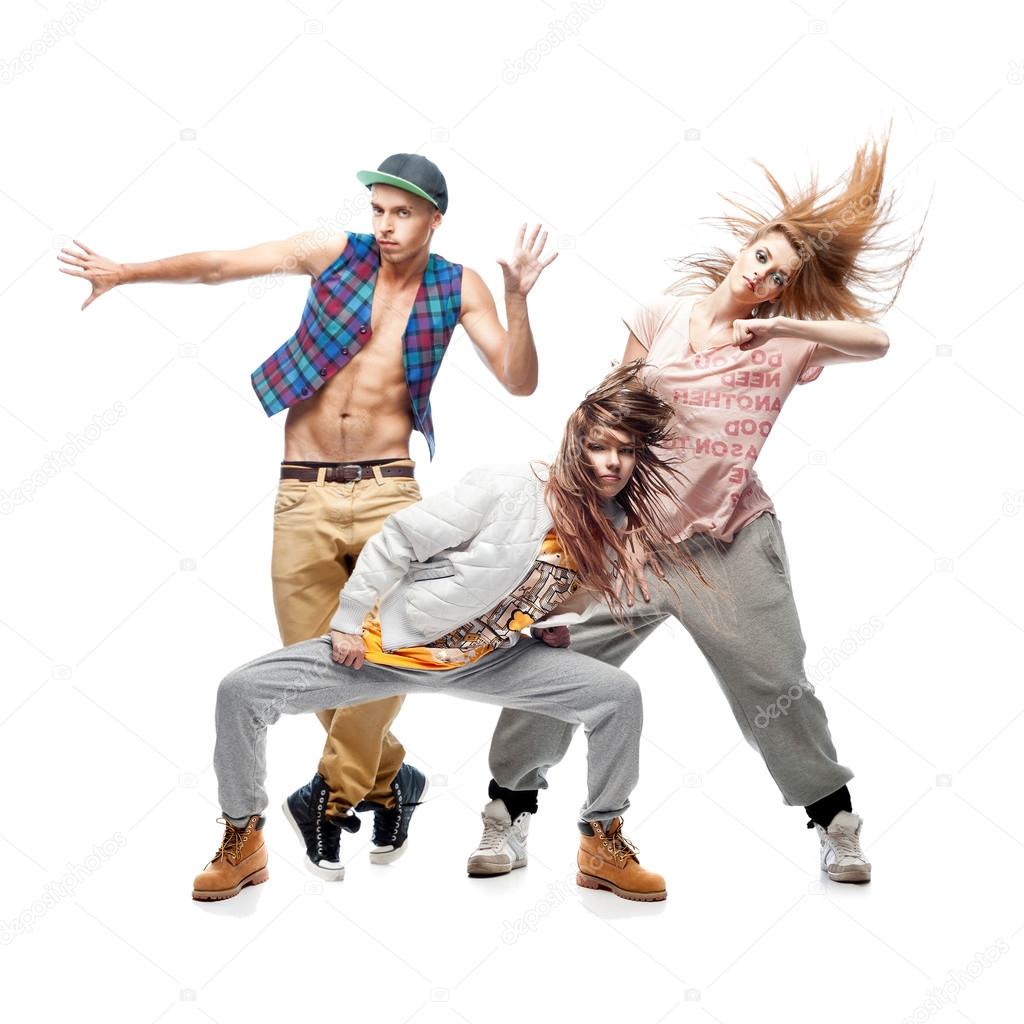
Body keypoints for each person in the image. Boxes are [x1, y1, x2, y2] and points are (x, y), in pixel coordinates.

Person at [58, 153, 557, 868]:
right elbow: (224, 265)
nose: (385, 225)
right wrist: (126, 272)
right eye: (378, 209)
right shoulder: (332, 255)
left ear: (434, 219)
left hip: (390, 488)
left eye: (402, 212)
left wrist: (519, 299)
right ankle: (391, 776)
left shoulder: (458, 285)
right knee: (318, 660)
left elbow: (519, 380)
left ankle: (329, 789)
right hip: (302, 488)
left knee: (393, 651)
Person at [471, 127, 924, 885]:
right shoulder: (658, 317)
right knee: (554, 664)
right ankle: (506, 814)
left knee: (775, 688)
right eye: (761, 258)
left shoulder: (784, 342)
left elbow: (876, 341)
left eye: (779, 277)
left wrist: (783, 324)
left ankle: (835, 823)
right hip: (636, 544)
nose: (763, 278)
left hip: (732, 544)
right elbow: (608, 417)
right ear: (744, 247)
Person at [191, 362, 707, 903]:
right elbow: (400, 538)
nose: (613, 462)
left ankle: (602, 840)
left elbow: (566, 592)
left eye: (625, 452)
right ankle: (242, 838)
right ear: (575, 445)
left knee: (617, 696)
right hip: (386, 651)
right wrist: (346, 621)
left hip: (492, 660)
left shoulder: (612, 525)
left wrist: (554, 625)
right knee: (242, 691)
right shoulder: (509, 486)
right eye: (601, 447)